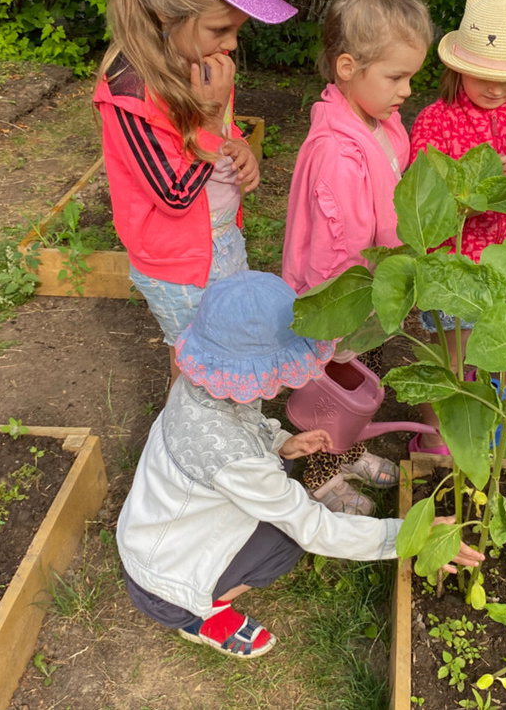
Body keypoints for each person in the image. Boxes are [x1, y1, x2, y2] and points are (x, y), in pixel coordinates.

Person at [117, 270, 483, 658]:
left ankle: (199, 590)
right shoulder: (233, 459)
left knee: (282, 483)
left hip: (149, 538)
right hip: (164, 585)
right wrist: (410, 537)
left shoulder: (198, 385)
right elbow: (315, 529)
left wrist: (281, 442)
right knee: (287, 537)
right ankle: (199, 613)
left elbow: (240, 425)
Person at [93, 0, 297, 388]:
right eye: (220, 29)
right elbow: (175, 193)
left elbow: (219, 136)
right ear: (168, 15)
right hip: (180, 266)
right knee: (198, 366)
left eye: (237, 30)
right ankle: (190, 448)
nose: (230, 45)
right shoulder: (129, 93)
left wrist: (238, 146)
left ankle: (225, 441)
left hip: (221, 241)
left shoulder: (196, 63)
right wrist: (207, 122)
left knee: (224, 348)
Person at [282, 0, 434, 513]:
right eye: (396, 77)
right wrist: (342, 321)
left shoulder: (380, 121)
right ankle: (322, 475)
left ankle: (351, 450)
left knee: (360, 379)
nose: (407, 90)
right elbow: (336, 250)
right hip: (341, 299)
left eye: (411, 76)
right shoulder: (338, 155)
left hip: (372, 291)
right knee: (334, 389)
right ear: (348, 67)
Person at [407, 0, 506, 453]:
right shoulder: (436, 121)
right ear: (457, 66)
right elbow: (426, 202)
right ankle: (441, 441)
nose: (496, 89)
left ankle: (491, 436)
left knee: (505, 354)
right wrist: (474, 197)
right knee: (453, 360)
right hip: (456, 266)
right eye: (483, 76)